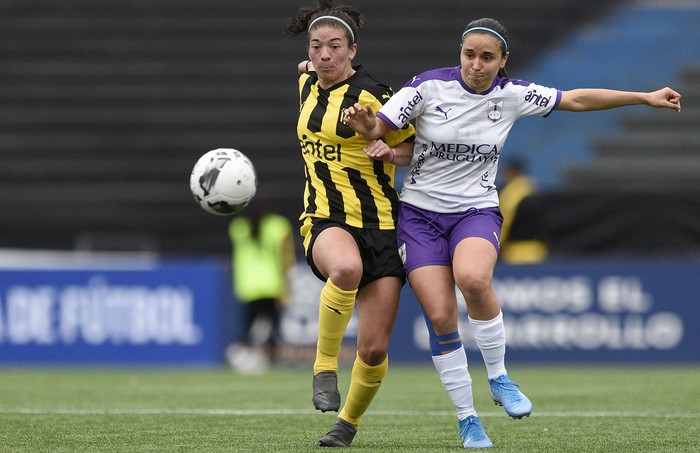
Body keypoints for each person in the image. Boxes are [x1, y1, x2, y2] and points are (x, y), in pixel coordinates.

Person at [345, 17, 681, 449]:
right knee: (442, 318)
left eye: (487, 57)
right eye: (469, 54)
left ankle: (500, 377)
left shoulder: (513, 94)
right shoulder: (427, 88)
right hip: (419, 216)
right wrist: (367, 126)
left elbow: (575, 99)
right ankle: (468, 421)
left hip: (475, 210)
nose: (476, 65)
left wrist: (643, 96)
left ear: (503, 61)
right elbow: (380, 127)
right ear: (460, 53)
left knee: (473, 278)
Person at [284, 0, 416, 447]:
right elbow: (307, 67)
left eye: (334, 47)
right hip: (323, 217)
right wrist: (312, 61)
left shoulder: (375, 96)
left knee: (375, 348)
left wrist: (383, 145)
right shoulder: (306, 82)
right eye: (316, 47)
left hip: (381, 225)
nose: (324, 55)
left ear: (352, 50)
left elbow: (416, 150)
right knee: (345, 269)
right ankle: (323, 368)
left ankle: (346, 425)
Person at [226, 198, 295, 372]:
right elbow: (285, 258)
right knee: (273, 327)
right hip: (271, 284)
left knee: (247, 328)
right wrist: (286, 286)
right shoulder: (278, 226)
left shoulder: (238, 227)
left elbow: (235, 257)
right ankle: (271, 361)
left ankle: (245, 359)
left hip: (248, 286)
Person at [497, 160, 547, 264]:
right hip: (537, 251)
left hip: (514, 253)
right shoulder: (532, 188)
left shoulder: (510, 193)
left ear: (512, 172)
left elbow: (504, 221)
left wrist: (496, 243)